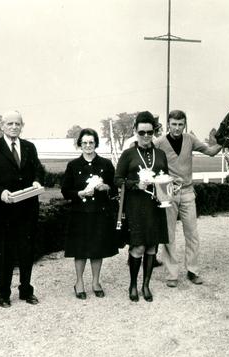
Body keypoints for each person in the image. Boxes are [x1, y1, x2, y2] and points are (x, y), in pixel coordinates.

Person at [0, 111, 44, 308]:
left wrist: (38, 181)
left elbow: (38, 169)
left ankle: (26, 290)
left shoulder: (30, 147)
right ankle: (3, 294)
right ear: (2, 126)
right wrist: (0, 192)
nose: (14, 126)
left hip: (27, 208)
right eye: (10, 123)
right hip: (2, 209)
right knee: (3, 251)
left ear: (22, 126)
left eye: (17, 123)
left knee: (26, 250)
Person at [154, 110, 222, 287]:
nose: (177, 128)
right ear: (168, 124)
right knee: (168, 233)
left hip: (188, 191)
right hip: (167, 191)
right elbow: (150, 162)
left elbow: (211, 151)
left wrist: (225, 141)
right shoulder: (159, 142)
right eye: (174, 124)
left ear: (185, 125)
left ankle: (192, 270)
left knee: (192, 233)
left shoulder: (190, 140)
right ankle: (172, 274)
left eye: (180, 124)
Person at [115, 111, 169, 302]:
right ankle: (133, 285)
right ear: (135, 131)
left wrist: (170, 187)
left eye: (150, 132)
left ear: (154, 132)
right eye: (142, 132)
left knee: (152, 247)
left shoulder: (160, 154)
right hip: (136, 207)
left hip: (155, 206)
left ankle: (146, 285)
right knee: (137, 247)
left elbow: (165, 177)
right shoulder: (128, 154)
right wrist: (134, 184)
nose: (146, 136)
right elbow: (117, 179)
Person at [61, 128, 118, 300]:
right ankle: (79, 282)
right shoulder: (73, 165)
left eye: (91, 142)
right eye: (84, 142)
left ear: (96, 144)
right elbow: (65, 191)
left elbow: (114, 188)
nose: (88, 146)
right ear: (80, 144)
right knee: (80, 250)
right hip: (80, 213)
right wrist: (79, 193)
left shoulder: (106, 164)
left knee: (97, 249)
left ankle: (95, 282)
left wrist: (106, 187)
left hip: (99, 213)